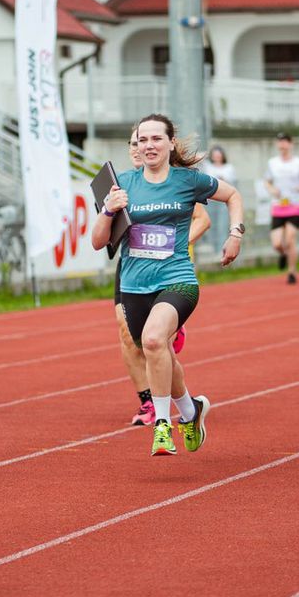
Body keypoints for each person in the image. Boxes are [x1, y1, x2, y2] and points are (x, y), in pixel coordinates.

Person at [94, 114, 244, 456]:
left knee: (152, 339)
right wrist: (107, 211)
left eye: (156, 139)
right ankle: (191, 411)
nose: (148, 145)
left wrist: (236, 234)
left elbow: (233, 195)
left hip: (178, 278)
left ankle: (163, 425)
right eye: (142, 140)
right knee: (158, 350)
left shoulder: (188, 181)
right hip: (134, 284)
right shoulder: (121, 185)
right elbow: (98, 242)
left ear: (170, 143)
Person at [112, 127, 211, 427]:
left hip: (171, 268)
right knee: (128, 334)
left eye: (147, 140)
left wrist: (178, 242)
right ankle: (149, 400)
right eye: (135, 143)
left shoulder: (177, 182)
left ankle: (163, 411)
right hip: (132, 268)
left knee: (156, 342)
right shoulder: (123, 186)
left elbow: (203, 219)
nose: (139, 147)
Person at [264, 132, 299, 284]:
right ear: (277, 144)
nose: (283, 144)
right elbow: (266, 182)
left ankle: (291, 272)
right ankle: (283, 254)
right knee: (277, 243)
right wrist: (272, 189)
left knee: (290, 239)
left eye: (286, 141)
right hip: (278, 207)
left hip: (295, 206)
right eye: (280, 141)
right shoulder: (272, 163)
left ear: (291, 144)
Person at [202, 145, 238, 252]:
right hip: (210, 201)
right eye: (215, 155)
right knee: (211, 224)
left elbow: (233, 184)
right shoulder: (208, 166)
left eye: (219, 155)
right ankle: (214, 247)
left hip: (223, 201)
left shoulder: (229, 168)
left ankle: (221, 248)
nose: (217, 157)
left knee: (222, 224)